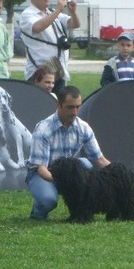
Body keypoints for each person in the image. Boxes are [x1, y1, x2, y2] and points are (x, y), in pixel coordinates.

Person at [26, 85, 111, 220]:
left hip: (67, 172)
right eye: (70, 107)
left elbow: (100, 160)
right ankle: (37, 213)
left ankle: (80, 212)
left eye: (78, 107)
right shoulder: (43, 130)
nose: (75, 112)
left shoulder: (83, 128)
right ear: (59, 105)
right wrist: (66, 181)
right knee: (48, 200)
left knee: (87, 165)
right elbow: (41, 169)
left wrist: (117, 174)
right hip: (42, 173)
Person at [19, 0, 80, 92]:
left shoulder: (51, 13)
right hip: (39, 73)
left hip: (57, 70)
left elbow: (74, 24)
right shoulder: (27, 15)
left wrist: (73, 12)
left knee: (57, 106)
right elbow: (37, 27)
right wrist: (57, 10)